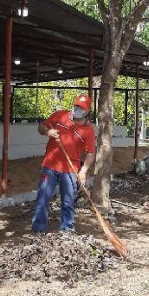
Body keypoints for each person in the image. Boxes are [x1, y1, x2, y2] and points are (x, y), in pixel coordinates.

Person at [31, 94, 96, 234]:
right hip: (50, 166)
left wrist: (83, 171)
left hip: (71, 171)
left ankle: (67, 231)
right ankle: (38, 231)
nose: (77, 109)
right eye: (76, 106)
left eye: (81, 108)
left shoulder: (88, 130)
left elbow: (90, 153)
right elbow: (41, 127)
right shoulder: (60, 116)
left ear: (87, 111)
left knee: (68, 202)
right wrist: (48, 131)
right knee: (42, 198)